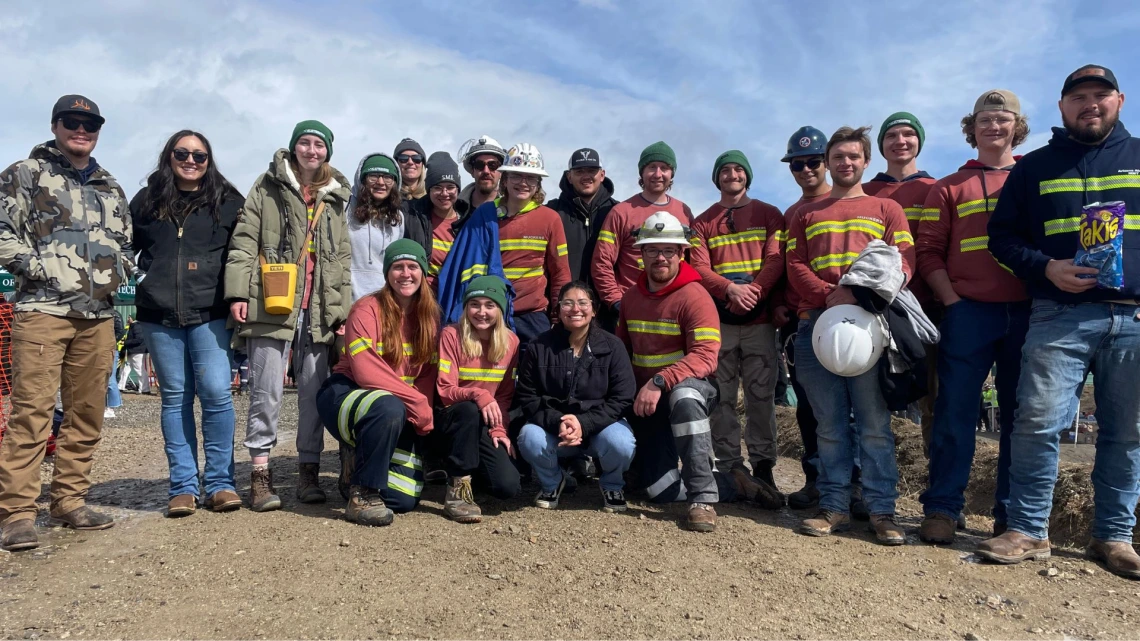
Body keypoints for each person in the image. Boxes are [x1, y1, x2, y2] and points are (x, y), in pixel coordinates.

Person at [982, 64, 1140, 579]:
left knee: (1127, 432)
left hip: (1134, 316)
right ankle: (1028, 530)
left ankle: (1113, 537)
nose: (1089, 104)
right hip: (1058, 315)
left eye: (1100, 95)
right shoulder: (1034, 168)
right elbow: (1002, 238)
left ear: (1119, 100)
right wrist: (1045, 266)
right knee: (1037, 421)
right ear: (1061, 107)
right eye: (1078, 97)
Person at [0, 94, 129, 551]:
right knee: (32, 413)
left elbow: (125, 242)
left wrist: (121, 269)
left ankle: (70, 501)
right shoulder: (25, 174)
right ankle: (16, 512)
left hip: (97, 317)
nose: (82, 130)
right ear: (56, 125)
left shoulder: (110, 187)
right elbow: (1, 230)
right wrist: (37, 268)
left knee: (87, 413)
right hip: (42, 312)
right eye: (72, 122)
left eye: (90, 124)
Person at [786, 126, 915, 546]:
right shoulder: (806, 213)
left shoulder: (886, 208)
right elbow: (795, 265)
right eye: (837, 157)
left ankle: (882, 511)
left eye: (853, 157)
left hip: (871, 330)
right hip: (814, 328)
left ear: (865, 161)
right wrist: (829, 295)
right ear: (829, 162)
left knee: (875, 424)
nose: (845, 163)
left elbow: (905, 262)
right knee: (830, 424)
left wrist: (861, 294)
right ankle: (834, 506)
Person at [915, 90, 1030, 545]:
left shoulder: (1034, 178)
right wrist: (953, 300)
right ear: (972, 127)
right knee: (954, 413)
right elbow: (928, 252)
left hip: (1026, 313)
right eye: (985, 119)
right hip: (968, 313)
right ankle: (943, 507)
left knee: (1020, 419)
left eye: (1002, 119)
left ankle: (1009, 516)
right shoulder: (948, 187)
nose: (994, 127)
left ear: (1016, 126)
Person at [224, 120, 352, 511]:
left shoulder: (334, 199)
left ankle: (308, 472)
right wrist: (236, 292)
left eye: (319, 145)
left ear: (327, 152)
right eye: (305, 143)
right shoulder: (266, 187)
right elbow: (244, 240)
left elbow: (341, 261)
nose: (312, 151)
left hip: (317, 310)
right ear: (294, 147)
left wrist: (340, 312)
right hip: (270, 302)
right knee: (267, 391)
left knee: (314, 394)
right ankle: (260, 475)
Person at [130, 129, 245, 517]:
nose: (191, 161)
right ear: (169, 156)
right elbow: (122, 245)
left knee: (215, 393)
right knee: (175, 398)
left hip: (210, 312)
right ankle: (182, 486)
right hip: (158, 314)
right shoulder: (146, 201)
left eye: (200, 155)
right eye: (183, 153)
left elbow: (243, 252)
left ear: (209, 161)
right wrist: (144, 272)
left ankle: (220, 483)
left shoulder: (228, 202)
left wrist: (240, 296)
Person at [315, 240, 438, 526]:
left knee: (402, 500)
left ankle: (358, 466)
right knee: (388, 406)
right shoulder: (366, 308)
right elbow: (366, 372)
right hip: (347, 393)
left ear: (423, 272)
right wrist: (418, 403)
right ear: (387, 273)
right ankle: (362, 494)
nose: (405, 274)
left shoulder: (429, 316)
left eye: (412, 267)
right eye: (397, 267)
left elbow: (427, 373)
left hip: (397, 405)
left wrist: (424, 409)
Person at [690, 150, 786, 508]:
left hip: (759, 322)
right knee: (722, 398)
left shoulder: (769, 214)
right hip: (722, 322)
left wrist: (755, 292)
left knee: (762, 397)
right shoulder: (702, 222)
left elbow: (776, 259)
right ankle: (730, 465)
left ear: (747, 176)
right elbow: (699, 267)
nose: (732, 174)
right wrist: (730, 290)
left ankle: (764, 465)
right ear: (717, 178)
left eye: (738, 169)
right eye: (725, 170)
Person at [617, 212, 723, 532]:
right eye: (652, 250)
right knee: (659, 491)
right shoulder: (631, 299)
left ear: (681, 253)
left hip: (685, 392)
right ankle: (735, 484)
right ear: (641, 253)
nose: (660, 257)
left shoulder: (695, 296)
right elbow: (622, 356)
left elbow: (706, 356)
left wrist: (660, 380)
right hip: (648, 405)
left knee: (686, 395)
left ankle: (703, 497)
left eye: (668, 250)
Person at [516, 281, 637, 511]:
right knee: (528, 437)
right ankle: (553, 481)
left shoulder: (613, 346)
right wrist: (558, 421)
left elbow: (622, 398)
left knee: (621, 443)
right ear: (558, 309)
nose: (575, 309)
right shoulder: (538, 346)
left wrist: (584, 422)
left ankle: (612, 484)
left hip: (601, 427)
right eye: (567, 303)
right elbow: (527, 396)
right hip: (556, 430)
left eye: (583, 303)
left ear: (594, 309)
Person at [863, 112, 939, 453]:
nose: (900, 141)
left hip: (925, 309)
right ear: (881, 146)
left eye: (908, 134)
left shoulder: (936, 188)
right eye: (892, 135)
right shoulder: (866, 192)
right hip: (875, 310)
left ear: (919, 141)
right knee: (871, 398)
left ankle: (935, 491)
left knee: (933, 398)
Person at [778, 126, 834, 512]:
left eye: (813, 161)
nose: (806, 169)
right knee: (809, 407)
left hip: (849, 318)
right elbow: (786, 267)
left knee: (853, 408)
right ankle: (816, 480)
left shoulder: (849, 201)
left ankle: (856, 484)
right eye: (798, 164)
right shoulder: (791, 213)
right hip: (803, 321)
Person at [434, 275, 522, 522]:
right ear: (465, 308)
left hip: (483, 421)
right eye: (474, 304)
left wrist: (499, 429)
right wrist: (478, 394)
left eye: (489, 305)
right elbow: (444, 389)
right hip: (452, 418)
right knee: (469, 410)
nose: (481, 312)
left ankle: (473, 473)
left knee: (508, 487)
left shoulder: (512, 342)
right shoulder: (451, 335)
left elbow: (504, 395)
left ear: (500, 309)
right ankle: (457, 489)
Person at [592, 142, 695, 316]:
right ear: (642, 172)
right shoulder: (622, 212)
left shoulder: (684, 212)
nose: (658, 174)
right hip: (632, 306)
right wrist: (616, 301)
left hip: (674, 308)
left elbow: (694, 261)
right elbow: (601, 262)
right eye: (651, 167)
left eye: (664, 168)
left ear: (672, 174)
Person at [493, 143, 571, 345]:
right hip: (492, 313)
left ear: (538, 183)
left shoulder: (550, 219)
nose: (523, 183)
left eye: (531, 177)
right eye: (516, 175)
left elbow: (560, 272)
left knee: (537, 374)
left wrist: (558, 314)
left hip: (534, 316)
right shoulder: (486, 216)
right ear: (505, 179)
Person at [546, 148, 619, 288]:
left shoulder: (617, 212)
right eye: (579, 171)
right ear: (569, 177)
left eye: (592, 171)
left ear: (602, 175)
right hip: (565, 304)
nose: (586, 176)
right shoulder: (551, 211)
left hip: (607, 304)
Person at [405, 151, 469, 291]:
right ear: (428, 189)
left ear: (458, 189)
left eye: (450, 187)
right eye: (437, 188)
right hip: (421, 298)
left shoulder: (469, 221)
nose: (444, 193)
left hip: (454, 298)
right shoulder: (412, 216)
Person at [346, 152, 403, 301]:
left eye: (388, 177)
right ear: (363, 179)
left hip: (383, 301)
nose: (381, 182)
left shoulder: (398, 218)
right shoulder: (345, 208)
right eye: (373, 176)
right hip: (347, 299)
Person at [458, 135, 506, 211]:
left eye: (492, 165)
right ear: (472, 171)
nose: (486, 171)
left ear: (501, 172)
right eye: (479, 165)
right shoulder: (454, 208)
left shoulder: (512, 208)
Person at [119, 318, 150, 394]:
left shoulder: (137, 326)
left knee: (139, 369)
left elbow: (139, 339)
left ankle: (144, 389)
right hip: (131, 351)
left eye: (129, 317)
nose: (127, 319)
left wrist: (125, 342)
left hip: (137, 351)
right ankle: (120, 387)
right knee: (125, 368)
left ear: (132, 318)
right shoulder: (133, 326)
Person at [106, 309, 126, 419]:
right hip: (101, 349)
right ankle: (107, 406)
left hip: (111, 349)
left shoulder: (114, 314)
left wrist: (111, 342)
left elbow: (120, 331)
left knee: (110, 379)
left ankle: (112, 407)